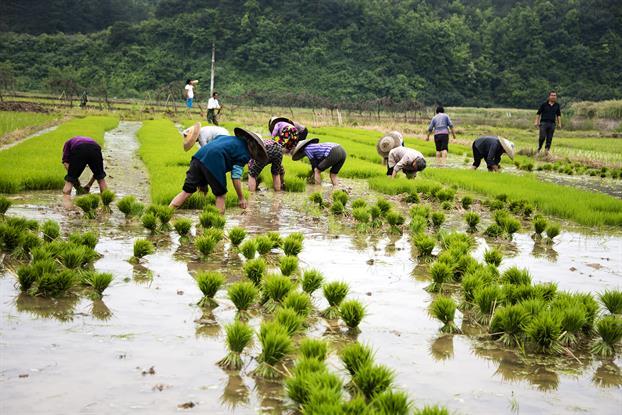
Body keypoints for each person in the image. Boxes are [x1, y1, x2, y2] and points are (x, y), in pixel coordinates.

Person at [169, 128, 267, 214]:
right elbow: (236, 177)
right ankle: (218, 225)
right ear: (254, 145)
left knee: (186, 191)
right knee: (221, 195)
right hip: (214, 161)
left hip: (197, 158)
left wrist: (203, 182)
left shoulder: (225, 137)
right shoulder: (245, 154)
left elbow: (211, 149)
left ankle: (166, 213)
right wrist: (241, 198)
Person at [61, 136, 108, 208]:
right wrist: (89, 185)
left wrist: (73, 178)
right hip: (95, 148)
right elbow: (98, 173)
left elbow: (65, 163)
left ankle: (67, 207)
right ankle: (106, 206)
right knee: (101, 178)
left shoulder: (67, 143)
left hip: (79, 148)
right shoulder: (92, 142)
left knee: (69, 181)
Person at [534, 91, 562, 155]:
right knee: (542, 137)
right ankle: (539, 148)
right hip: (544, 123)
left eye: (555, 95)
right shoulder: (544, 104)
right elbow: (538, 113)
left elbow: (558, 115)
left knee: (549, 138)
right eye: (552, 95)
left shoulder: (557, 105)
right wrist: (536, 121)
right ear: (549, 96)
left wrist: (559, 123)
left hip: (552, 124)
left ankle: (547, 151)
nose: (553, 97)